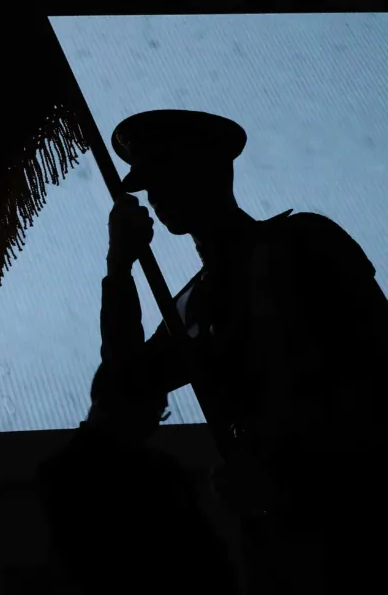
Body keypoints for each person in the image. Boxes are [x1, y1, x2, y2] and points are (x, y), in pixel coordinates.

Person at [101, 109, 388, 593]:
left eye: (168, 177)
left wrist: (291, 471)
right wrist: (120, 269)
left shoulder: (304, 243)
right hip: (277, 537)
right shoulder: (191, 306)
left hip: (358, 516)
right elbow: (125, 387)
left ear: (211, 173)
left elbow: (379, 366)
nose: (155, 197)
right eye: (150, 183)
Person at [38, 360, 239, 594]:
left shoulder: (59, 474)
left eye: (159, 413)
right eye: (152, 412)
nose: (155, 425)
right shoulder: (163, 472)